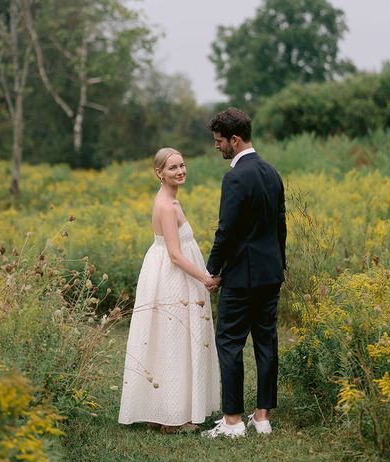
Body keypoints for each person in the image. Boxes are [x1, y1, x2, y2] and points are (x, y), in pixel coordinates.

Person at [119, 148, 221, 432]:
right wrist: (205, 278)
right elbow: (175, 255)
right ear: (159, 173)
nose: (180, 171)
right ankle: (172, 417)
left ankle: (163, 410)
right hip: (173, 277)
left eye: (182, 165)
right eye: (173, 167)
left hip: (171, 272)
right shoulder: (166, 205)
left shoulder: (173, 201)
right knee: (174, 340)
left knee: (171, 340)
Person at [202, 108, 287, 438]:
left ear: (234, 140)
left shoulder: (235, 177)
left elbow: (227, 231)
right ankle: (262, 418)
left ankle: (234, 420)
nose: (217, 147)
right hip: (270, 274)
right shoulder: (272, 173)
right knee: (266, 341)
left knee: (229, 342)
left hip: (241, 277)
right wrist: (280, 265)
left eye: (219, 141)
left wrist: (212, 269)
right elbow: (280, 226)